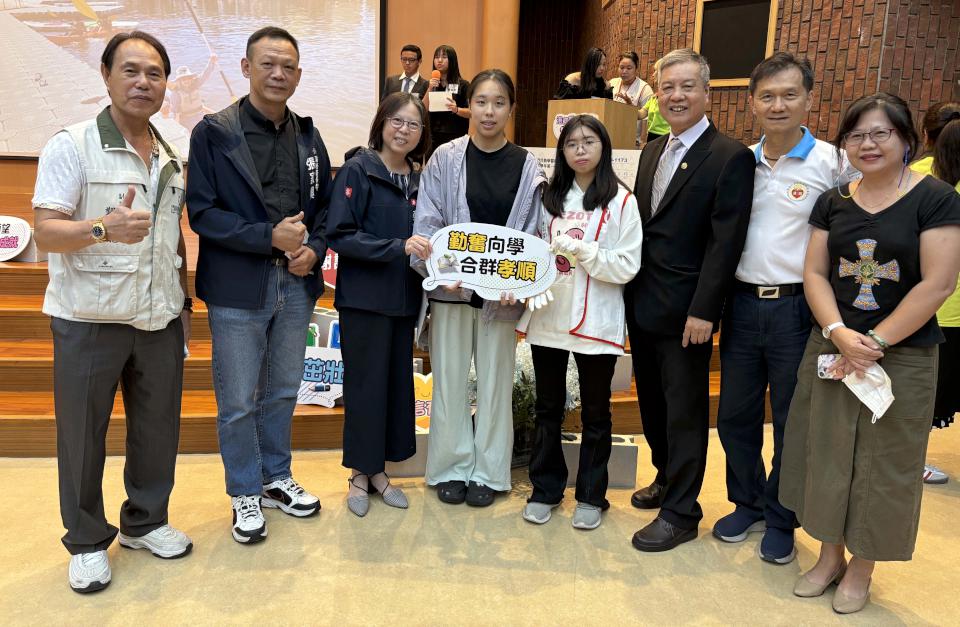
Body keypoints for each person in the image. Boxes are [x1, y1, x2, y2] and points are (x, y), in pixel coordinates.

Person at [779, 93, 960, 614]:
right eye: (856, 135)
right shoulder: (833, 201)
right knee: (826, 452)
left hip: (902, 353)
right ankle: (828, 556)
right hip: (834, 346)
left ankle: (862, 567)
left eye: (881, 133)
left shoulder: (936, 198)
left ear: (907, 138)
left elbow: (938, 283)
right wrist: (838, 332)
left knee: (885, 463)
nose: (868, 144)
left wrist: (877, 341)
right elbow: (815, 272)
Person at [32, 31, 193, 593]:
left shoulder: (170, 153)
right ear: (105, 76)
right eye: (131, 70)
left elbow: (171, 237)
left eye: (155, 73)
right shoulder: (72, 144)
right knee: (82, 435)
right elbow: (45, 233)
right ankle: (84, 540)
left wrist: (183, 303)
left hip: (158, 316)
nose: (144, 82)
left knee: (157, 429)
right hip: (89, 318)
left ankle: (145, 522)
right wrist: (103, 227)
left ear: (165, 84)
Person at [186, 26, 333, 544]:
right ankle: (244, 490)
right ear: (246, 68)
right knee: (238, 400)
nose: (278, 74)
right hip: (236, 287)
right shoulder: (214, 132)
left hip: (295, 283)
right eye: (268, 63)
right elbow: (203, 213)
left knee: (284, 390)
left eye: (288, 66)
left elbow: (325, 209)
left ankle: (275, 477)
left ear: (299, 74)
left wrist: (315, 248)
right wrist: (266, 236)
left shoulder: (309, 136)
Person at [713, 52, 858, 565]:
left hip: (798, 309)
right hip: (742, 305)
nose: (778, 105)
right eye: (767, 96)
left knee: (793, 420)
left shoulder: (833, 164)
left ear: (809, 100)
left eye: (789, 95)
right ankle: (747, 502)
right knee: (735, 414)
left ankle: (781, 515)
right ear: (752, 103)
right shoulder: (740, 162)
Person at [625, 48, 755, 552]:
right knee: (653, 404)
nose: (675, 96)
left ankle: (682, 511)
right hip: (644, 302)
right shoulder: (653, 150)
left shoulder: (729, 156)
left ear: (706, 92)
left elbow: (726, 243)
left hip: (687, 313)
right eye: (667, 87)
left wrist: (705, 310)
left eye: (686, 86)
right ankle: (665, 477)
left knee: (684, 410)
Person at [412, 69, 547, 507]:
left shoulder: (527, 165)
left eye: (499, 103)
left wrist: (520, 281)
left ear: (512, 109)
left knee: (495, 384)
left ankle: (489, 472)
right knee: (449, 381)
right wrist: (442, 267)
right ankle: (450, 467)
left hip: (501, 296)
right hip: (451, 290)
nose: (489, 112)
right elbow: (429, 221)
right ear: (469, 106)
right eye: (482, 102)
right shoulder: (445, 159)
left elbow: (533, 231)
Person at [518, 115, 642, 530]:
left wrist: (585, 252)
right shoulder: (550, 198)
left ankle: (591, 495)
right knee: (547, 408)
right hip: (550, 314)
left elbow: (628, 264)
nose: (580, 150)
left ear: (604, 147)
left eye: (589, 141)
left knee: (596, 413)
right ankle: (545, 489)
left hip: (598, 320)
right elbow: (534, 251)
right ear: (562, 152)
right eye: (571, 144)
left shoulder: (622, 201)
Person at [326, 92, 432, 517]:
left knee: (393, 388)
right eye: (397, 121)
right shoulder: (359, 169)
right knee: (365, 388)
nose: (404, 130)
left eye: (413, 124)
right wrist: (396, 247)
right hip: (365, 300)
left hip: (404, 300)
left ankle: (380, 472)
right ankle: (359, 474)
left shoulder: (419, 178)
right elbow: (340, 234)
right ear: (382, 123)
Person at [909, 101, 960, 484]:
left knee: (922, 391)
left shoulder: (913, 179)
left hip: (927, 307)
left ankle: (912, 459)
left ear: (924, 136)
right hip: (951, 306)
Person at [423, 44, 470, 158]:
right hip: (432, 137)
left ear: (452, 60)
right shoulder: (429, 84)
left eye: (444, 57)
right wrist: (430, 88)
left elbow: (471, 112)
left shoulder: (463, 85)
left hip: (455, 137)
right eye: (436, 57)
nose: (439, 60)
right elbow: (422, 109)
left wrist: (457, 109)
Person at [163, 53, 218, 131]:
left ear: (191, 78)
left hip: (200, 114)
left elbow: (205, 74)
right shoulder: (176, 94)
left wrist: (212, 62)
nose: (186, 81)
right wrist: (177, 128)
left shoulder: (196, 84)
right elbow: (176, 112)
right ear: (179, 81)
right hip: (187, 119)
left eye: (188, 78)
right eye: (183, 79)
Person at [610, 51, 654, 147]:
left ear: (636, 69)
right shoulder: (612, 83)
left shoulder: (645, 89)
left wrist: (642, 142)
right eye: (621, 67)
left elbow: (646, 119)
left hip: (633, 142)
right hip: (611, 137)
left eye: (629, 68)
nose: (624, 71)